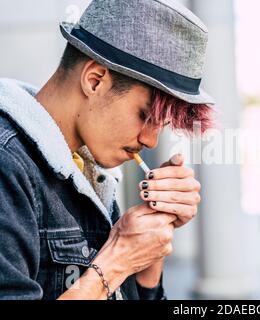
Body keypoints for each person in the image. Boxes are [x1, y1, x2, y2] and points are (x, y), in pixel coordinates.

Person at [0, 0, 215, 300]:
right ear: (95, 80)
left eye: (160, 125)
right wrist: (117, 260)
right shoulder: (8, 164)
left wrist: (148, 251)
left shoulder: (91, 174)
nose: (151, 141)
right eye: (145, 116)